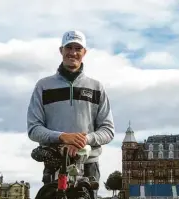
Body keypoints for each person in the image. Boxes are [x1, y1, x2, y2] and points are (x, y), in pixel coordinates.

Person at [26, 30, 115, 185]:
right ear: (61, 50)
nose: (73, 53)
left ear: (84, 52)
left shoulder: (96, 87)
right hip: (55, 164)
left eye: (77, 48)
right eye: (69, 47)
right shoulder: (43, 86)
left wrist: (83, 140)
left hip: (88, 165)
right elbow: (34, 129)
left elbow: (108, 130)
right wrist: (62, 137)